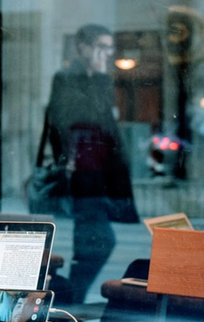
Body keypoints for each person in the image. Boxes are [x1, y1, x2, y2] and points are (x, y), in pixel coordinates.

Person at [45, 24, 138, 303]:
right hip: (81, 175)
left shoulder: (102, 80)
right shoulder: (66, 78)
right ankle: (70, 300)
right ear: (82, 48)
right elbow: (65, 121)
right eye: (101, 47)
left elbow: (106, 126)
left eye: (109, 48)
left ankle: (71, 301)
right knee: (99, 241)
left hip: (100, 173)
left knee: (90, 243)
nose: (106, 54)